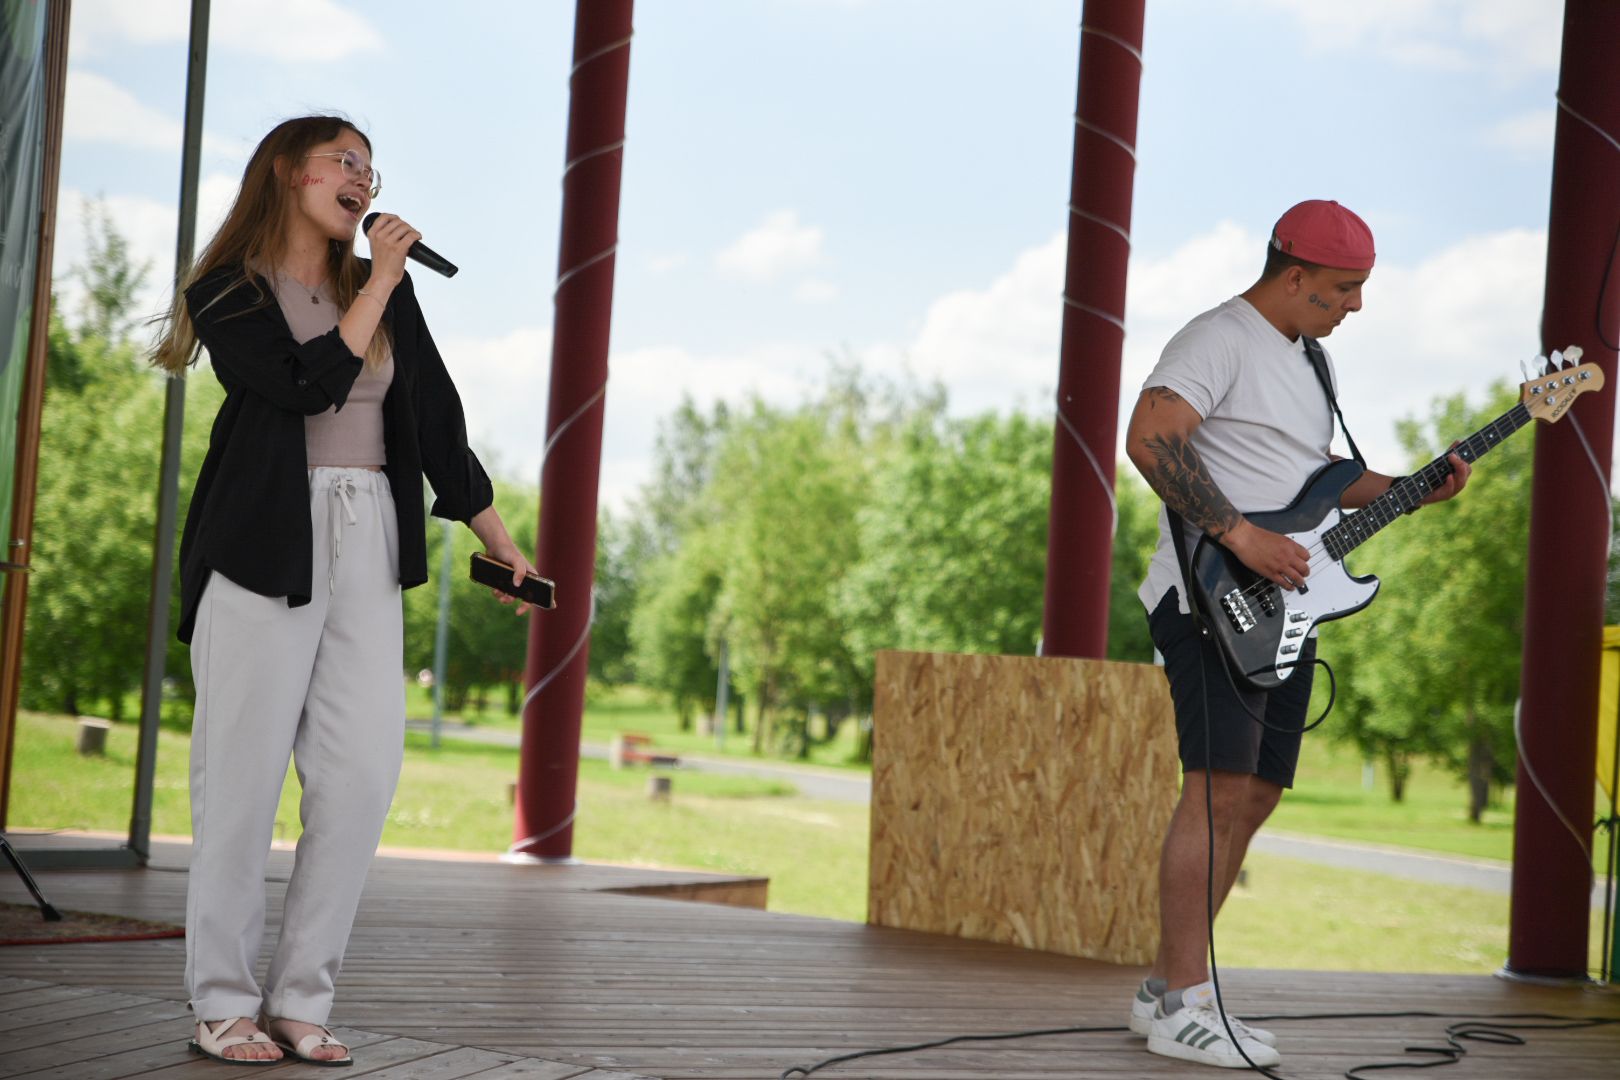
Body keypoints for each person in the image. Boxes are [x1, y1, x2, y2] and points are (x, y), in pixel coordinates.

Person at [150, 114, 537, 1066]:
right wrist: (383, 286)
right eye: (347, 161)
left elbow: (437, 419)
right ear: (291, 173)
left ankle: (299, 998)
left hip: (372, 538)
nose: (365, 179)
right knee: (238, 784)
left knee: (362, 776)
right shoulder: (228, 291)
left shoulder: (380, 291)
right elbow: (304, 385)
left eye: (373, 166)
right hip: (260, 544)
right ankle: (223, 1004)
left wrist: (499, 539)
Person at [1122, 200, 1471, 1070]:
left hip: (1285, 601)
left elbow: (1314, 480)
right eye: (1343, 289)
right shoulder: (1219, 338)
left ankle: (1169, 985)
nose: (1353, 306)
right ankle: (1187, 1004)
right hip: (1213, 597)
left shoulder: (1309, 359)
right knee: (1215, 788)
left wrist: (1415, 486)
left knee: (1258, 791)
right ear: (1294, 275)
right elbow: (1151, 439)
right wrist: (1240, 536)